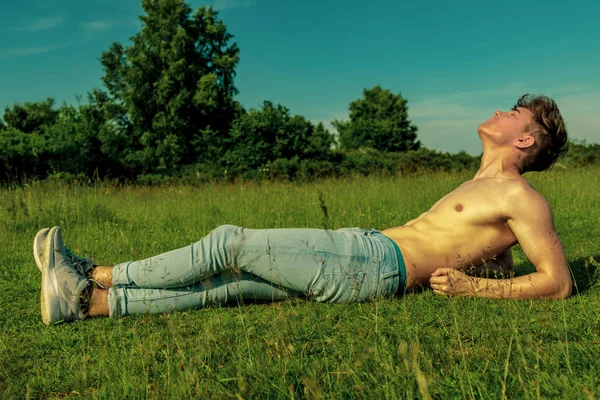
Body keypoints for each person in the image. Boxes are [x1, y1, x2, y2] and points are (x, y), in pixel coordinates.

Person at [35, 94, 572, 325]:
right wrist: (489, 269)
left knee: (230, 243)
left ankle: (92, 274)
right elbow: (490, 252)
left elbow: (558, 281)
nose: (501, 111)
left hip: (370, 262)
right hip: (368, 260)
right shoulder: (480, 185)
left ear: (525, 140)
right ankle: (86, 304)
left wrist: (476, 288)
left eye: (514, 112)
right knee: (229, 287)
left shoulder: (519, 197)